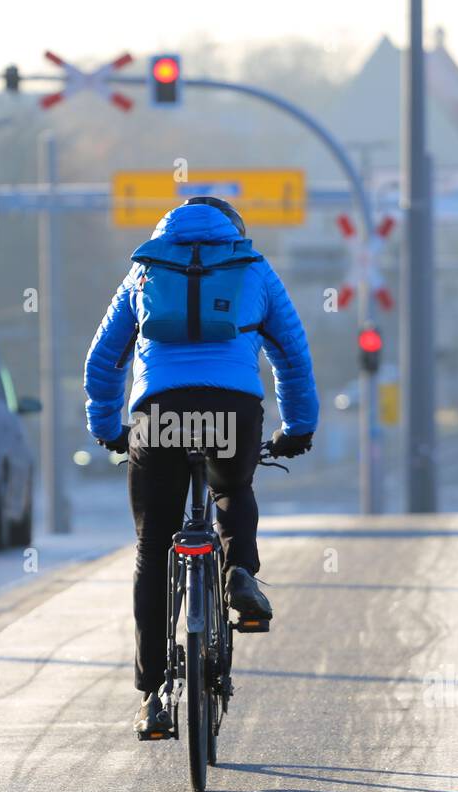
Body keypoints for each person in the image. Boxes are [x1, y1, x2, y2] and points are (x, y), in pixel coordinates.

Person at [83, 196, 319, 737]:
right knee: (233, 487)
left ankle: (152, 697)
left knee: (152, 545)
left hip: (158, 414)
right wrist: (298, 428)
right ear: (235, 230)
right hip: (233, 412)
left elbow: (104, 358)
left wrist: (108, 428)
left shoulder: (145, 269)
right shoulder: (253, 267)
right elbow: (292, 355)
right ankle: (240, 574)